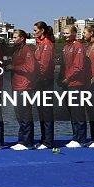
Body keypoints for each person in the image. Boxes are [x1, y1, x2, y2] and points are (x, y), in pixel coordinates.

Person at [60, 25, 88, 148]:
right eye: (64, 33)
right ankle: (75, 136)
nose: (65, 35)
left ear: (74, 34)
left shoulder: (78, 46)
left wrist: (68, 78)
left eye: (67, 33)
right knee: (72, 112)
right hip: (67, 84)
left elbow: (79, 67)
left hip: (76, 84)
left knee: (78, 112)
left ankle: (81, 139)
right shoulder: (66, 47)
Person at [9, 30, 37, 151]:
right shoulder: (16, 51)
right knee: (19, 114)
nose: (13, 39)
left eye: (15, 37)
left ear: (22, 38)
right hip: (16, 86)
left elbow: (30, 68)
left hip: (25, 87)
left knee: (25, 114)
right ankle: (22, 140)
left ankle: (28, 142)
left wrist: (14, 67)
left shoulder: (27, 50)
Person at [33, 21, 57, 149]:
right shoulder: (40, 44)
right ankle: (44, 139)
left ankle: (48, 141)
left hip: (45, 81)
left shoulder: (47, 44)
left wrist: (36, 78)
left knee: (46, 111)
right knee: (41, 111)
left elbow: (44, 65)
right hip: (39, 81)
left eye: (36, 30)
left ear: (42, 31)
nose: (34, 32)